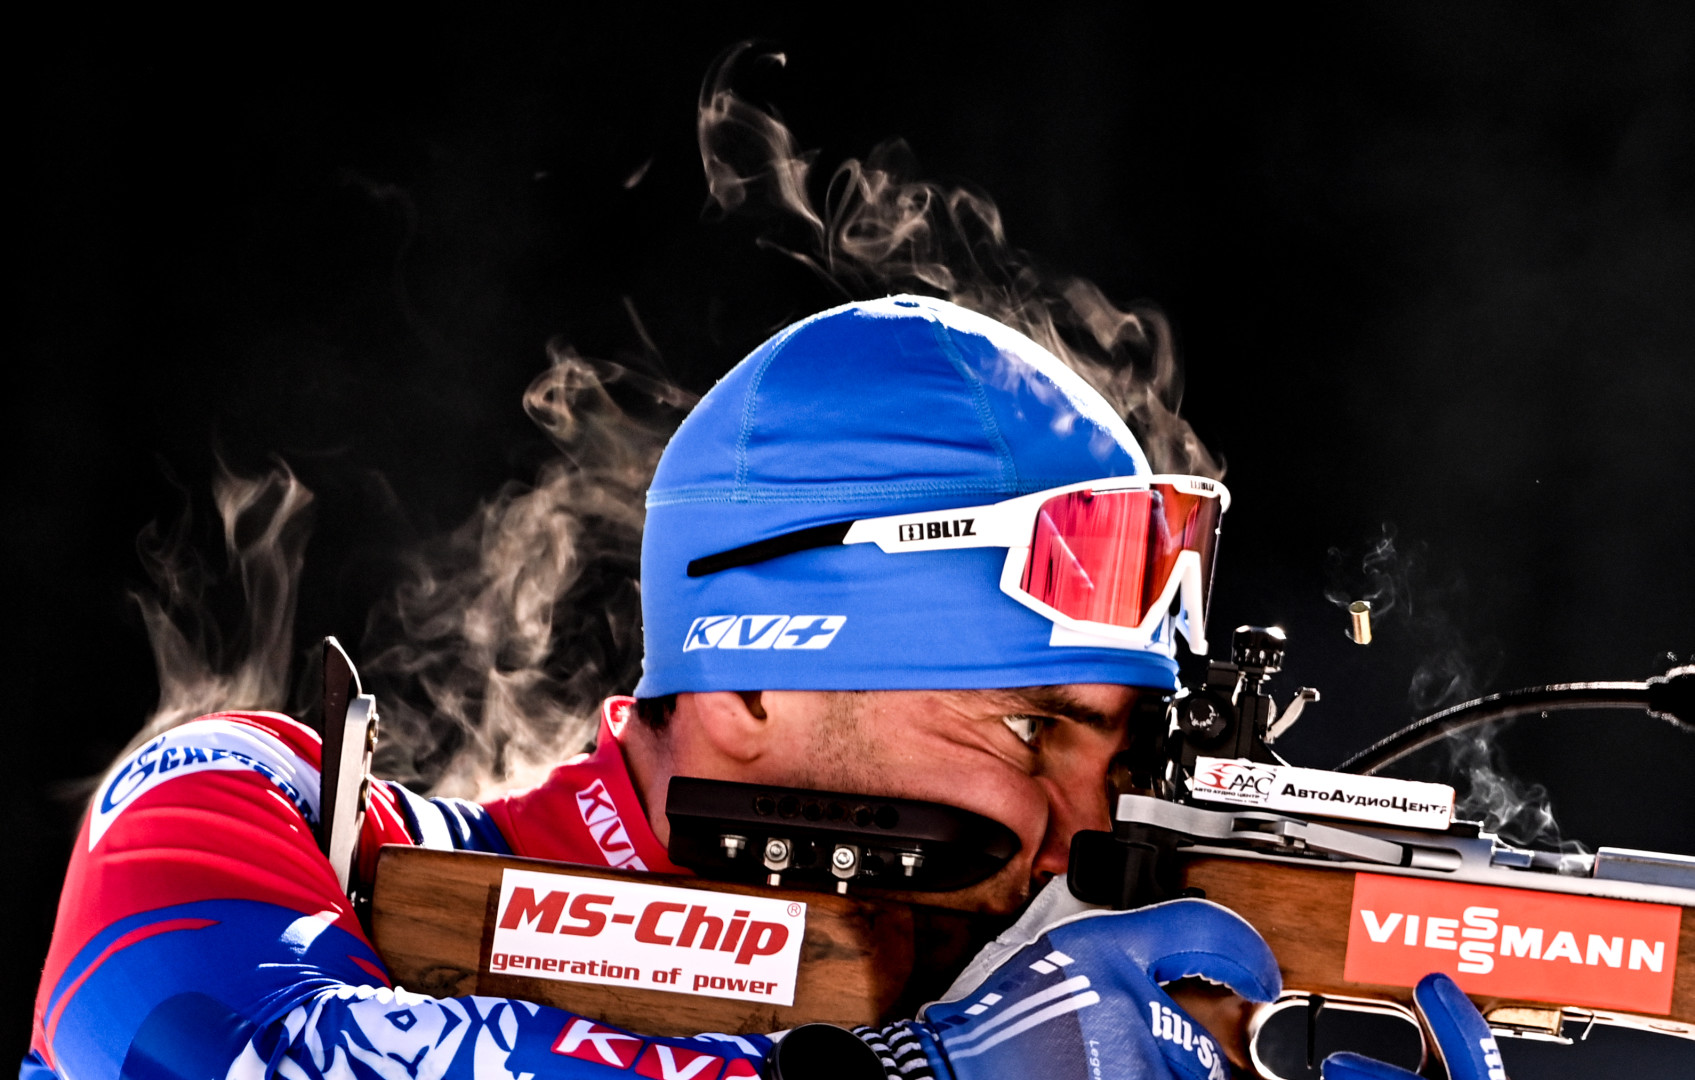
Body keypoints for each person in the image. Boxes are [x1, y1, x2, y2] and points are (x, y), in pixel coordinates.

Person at [27, 296, 1504, 1080]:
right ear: (744, 683)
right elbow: (191, 1037)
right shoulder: (247, 813)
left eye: (1113, 751)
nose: (1077, 835)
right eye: (1029, 726)